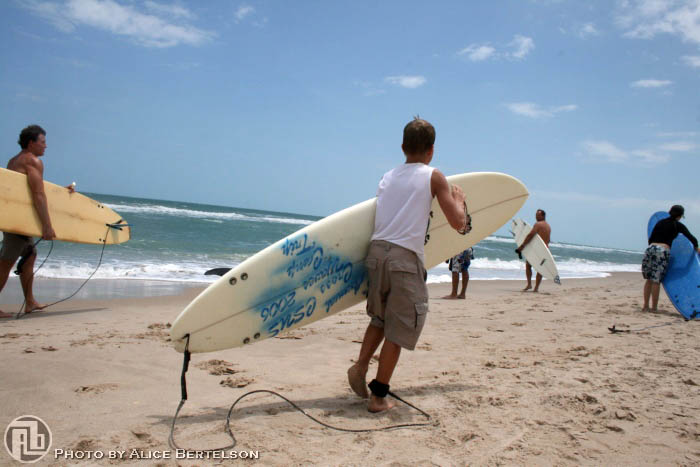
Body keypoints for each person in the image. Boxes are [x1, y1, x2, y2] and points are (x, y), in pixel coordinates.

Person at [347, 117, 469, 412]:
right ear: (431, 150)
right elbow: (458, 223)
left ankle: (360, 366)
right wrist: (459, 200)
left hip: (377, 253)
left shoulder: (387, 176)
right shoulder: (434, 176)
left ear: (403, 147)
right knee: (400, 328)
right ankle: (378, 397)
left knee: (380, 319)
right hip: (404, 258)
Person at [0, 125, 74, 318]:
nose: (46, 146)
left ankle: (30, 302)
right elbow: (38, 194)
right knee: (6, 263)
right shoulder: (32, 161)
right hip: (18, 222)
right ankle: (29, 301)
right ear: (31, 143)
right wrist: (47, 226)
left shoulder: (14, 160)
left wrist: (61, 193)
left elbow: (27, 190)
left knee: (29, 256)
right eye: (43, 142)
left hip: (14, 218)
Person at [642, 205, 700, 312]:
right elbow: (692, 238)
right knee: (656, 281)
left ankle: (645, 306)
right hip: (662, 250)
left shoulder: (660, 222)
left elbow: (651, 238)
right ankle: (654, 308)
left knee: (649, 279)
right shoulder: (677, 225)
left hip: (650, 249)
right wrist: (696, 248)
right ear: (679, 216)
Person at [515, 209, 551, 293]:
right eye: (536, 215)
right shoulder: (548, 226)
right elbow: (548, 240)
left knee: (528, 265)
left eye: (538, 215)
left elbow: (530, 235)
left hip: (537, 250)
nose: (536, 217)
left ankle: (529, 284)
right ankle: (536, 288)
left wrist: (522, 246)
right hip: (544, 250)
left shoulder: (538, 224)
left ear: (543, 216)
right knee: (540, 269)